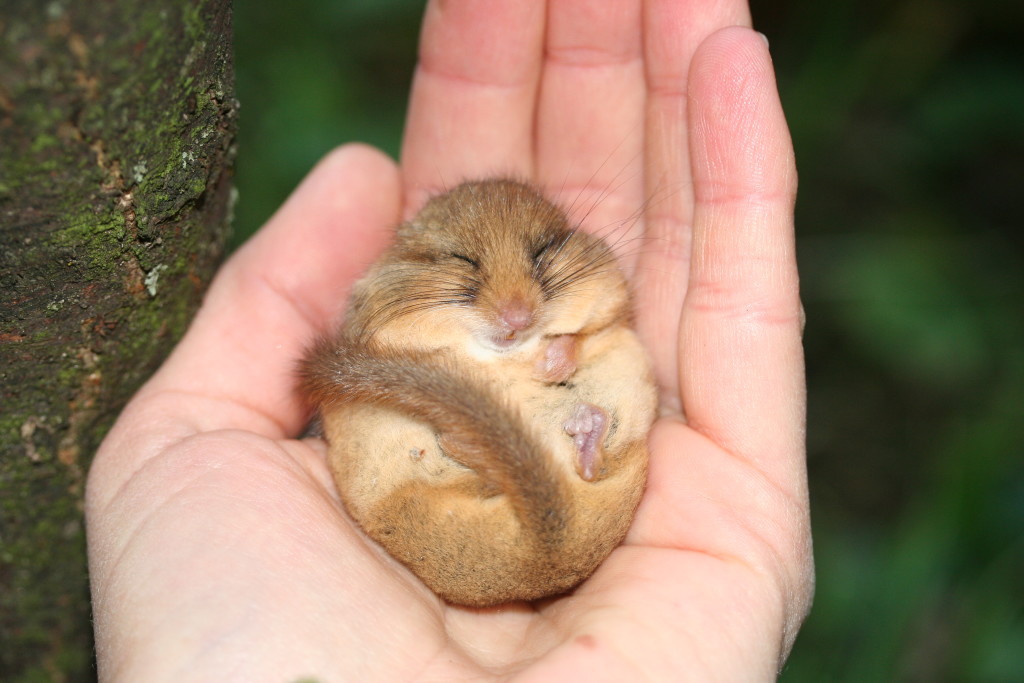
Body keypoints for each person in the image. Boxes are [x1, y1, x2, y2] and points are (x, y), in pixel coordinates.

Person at [86, 1, 813, 679]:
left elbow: (597, 316)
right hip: (449, 505)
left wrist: (564, 350)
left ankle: (565, 433)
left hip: (564, 489)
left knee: (608, 359)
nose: (515, 305)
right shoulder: (394, 307)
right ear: (413, 260)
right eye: (467, 266)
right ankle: (544, 439)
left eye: (540, 258)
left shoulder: (580, 295)